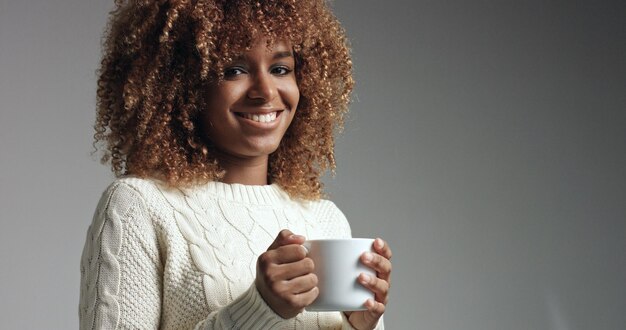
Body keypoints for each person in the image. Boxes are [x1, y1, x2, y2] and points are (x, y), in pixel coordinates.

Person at [79, 0, 392, 329]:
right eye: (234, 70)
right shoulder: (138, 206)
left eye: (280, 69)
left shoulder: (326, 219)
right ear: (183, 83)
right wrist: (259, 308)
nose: (265, 91)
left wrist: (361, 326)